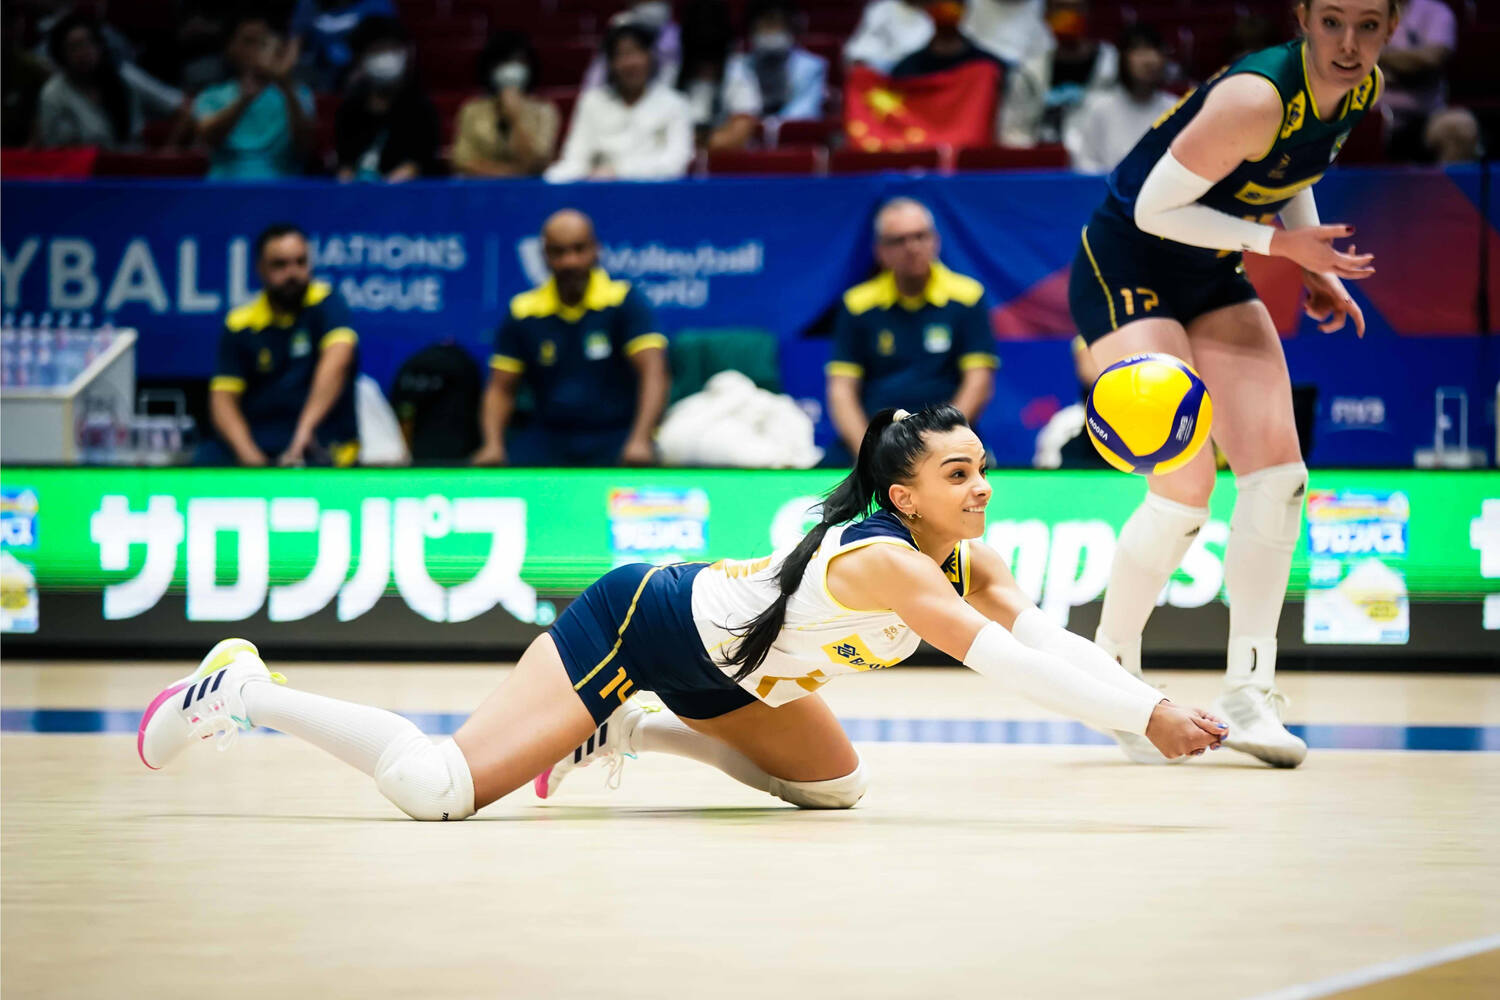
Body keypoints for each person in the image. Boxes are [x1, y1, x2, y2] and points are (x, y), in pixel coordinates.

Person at [139, 403, 1228, 822]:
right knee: (441, 791)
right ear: (904, 496)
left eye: (982, 469)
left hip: (729, 677)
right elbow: (1008, 665)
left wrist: (1154, 698)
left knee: (837, 789)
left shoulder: (964, 556)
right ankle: (245, 689)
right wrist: (1143, 724)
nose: (981, 487)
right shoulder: (893, 565)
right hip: (644, 619)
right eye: (959, 475)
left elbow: (1043, 635)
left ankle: (636, 729)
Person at [1064, 0, 1395, 769]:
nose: (1350, 44)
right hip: (1128, 263)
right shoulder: (1255, 96)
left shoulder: (1362, 87)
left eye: (1370, 25)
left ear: (1391, 29)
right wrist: (1281, 245)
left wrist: (1309, 264)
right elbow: (1153, 208)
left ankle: (1249, 694)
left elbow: (1293, 172)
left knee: (1279, 475)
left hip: (1208, 264)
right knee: (1185, 481)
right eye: (1334, 22)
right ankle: (1110, 677)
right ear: (1304, 19)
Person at [472, 209, 670, 467]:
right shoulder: (523, 311)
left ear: (595, 250)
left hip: (616, 433)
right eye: (558, 252)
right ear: (544, 256)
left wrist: (641, 439)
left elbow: (654, 372)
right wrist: (492, 444)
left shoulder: (623, 301)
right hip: (548, 435)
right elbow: (500, 389)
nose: (570, 262)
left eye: (579, 249)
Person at [826, 198, 998, 462]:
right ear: (880, 251)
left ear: (935, 241)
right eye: (899, 240)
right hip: (878, 438)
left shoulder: (968, 298)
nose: (912, 247)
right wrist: (869, 451)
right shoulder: (857, 305)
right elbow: (841, 391)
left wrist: (941, 443)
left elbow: (978, 382)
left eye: (920, 236)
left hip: (948, 437)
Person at [205, 223, 360, 468]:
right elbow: (223, 399)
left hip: (320, 439)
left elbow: (338, 360)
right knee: (204, 459)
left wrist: (304, 432)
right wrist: (250, 457)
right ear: (260, 270)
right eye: (280, 265)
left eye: (301, 262)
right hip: (259, 440)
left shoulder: (327, 303)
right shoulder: (240, 323)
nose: (293, 273)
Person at [545, 21, 695, 182]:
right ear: (610, 63)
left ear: (650, 57)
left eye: (637, 53)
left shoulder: (675, 104)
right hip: (601, 194)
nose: (630, 63)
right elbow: (576, 159)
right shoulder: (592, 102)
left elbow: (676, 165)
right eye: (622, 55)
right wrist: (550, 181)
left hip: (655, 195)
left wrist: (618, 171)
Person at [192, 15, 315, 180]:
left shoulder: (299, 94)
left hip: (280, 191)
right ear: (231, 47)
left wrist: (285, 86)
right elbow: (208, 138)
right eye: (248, 41)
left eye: (263, 42)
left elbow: (305, 148)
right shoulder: (211, 96)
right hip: (223, 190)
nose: (256, 49)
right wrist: (244, 100)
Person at [1000, 0, 1117, 149]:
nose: (1068, 15)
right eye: (1060, 7)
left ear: (1088, 12)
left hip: (1097, 163)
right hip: (1042, 164)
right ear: (1046, 14)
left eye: (1075, 8)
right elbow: (1013, 132)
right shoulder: (1028, 70)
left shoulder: (1112, 66)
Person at [334, 17, 438, 183]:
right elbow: (344, 165)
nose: (385, 58)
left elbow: (418, 163)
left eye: (391, 49)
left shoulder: (421, 110)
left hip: (405, 198)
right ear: (362, 60)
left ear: (405, 54)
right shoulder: (349, 111)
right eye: (377, 50)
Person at [1066, 24, 1178, 174]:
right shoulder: (1098, 107)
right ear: (1122, 58)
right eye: (1139, 51)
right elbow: (1083, 161)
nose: (1149, 60)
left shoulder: (1175, 108)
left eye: (1154, 50)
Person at [451, 31, 560, 179]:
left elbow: (538, 163)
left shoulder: (545, 111)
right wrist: (509, 174)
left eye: (518, 61)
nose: (511, 69)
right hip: (481, 191)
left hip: (529, 192)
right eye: (504, 62)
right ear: (491, 67)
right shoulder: (472, 110)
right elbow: (462, 161)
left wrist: (516, 119)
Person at [35, 12, 139, 149]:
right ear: (61, 54)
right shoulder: (52, 94)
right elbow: (53, 148)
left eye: (88, 43)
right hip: (79, 166)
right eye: (74, 47)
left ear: (99, 46)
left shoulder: (124, 77)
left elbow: (172, 103)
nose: (83, 53)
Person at [675, 0, 762, 150]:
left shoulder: (738, 76)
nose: (706, 67)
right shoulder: (670, 75)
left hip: (727, 167)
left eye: (711, 56)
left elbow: (738, 136)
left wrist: (684, 143)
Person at [728, 0, 827, 126]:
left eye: (776, 25)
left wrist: (767, 126)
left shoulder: (812, 67)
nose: (770, 32)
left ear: (792, 27)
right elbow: (736, 113)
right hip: (748, 139)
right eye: (764, 25)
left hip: (792, 139)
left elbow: (805, 114)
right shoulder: (738, 67)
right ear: (752, 30)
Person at [1377, 0, 1453, 162]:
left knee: (1458, 128)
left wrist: (1377, 56)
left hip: (1422, 119)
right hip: (1361, 117)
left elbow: (1431, 59)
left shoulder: (1436, 12)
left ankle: (1447, 188)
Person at [290, 0, 396, 92]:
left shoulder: (377, 6)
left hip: (358, 82)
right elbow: (294, 49)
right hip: (314, 78)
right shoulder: (307, 5)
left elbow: (386, 52)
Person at [890, 0, 1002, 80]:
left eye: (954, 2)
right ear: (927, 7)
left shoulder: (988, 67)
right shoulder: (906, 69)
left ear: (964, 7)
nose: (946, 6)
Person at [843, 0, 933, 74]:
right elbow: (867, 30)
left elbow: (907, 48)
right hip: (862, 56)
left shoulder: (926, 24)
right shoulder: (885, 5)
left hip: (891, 67)